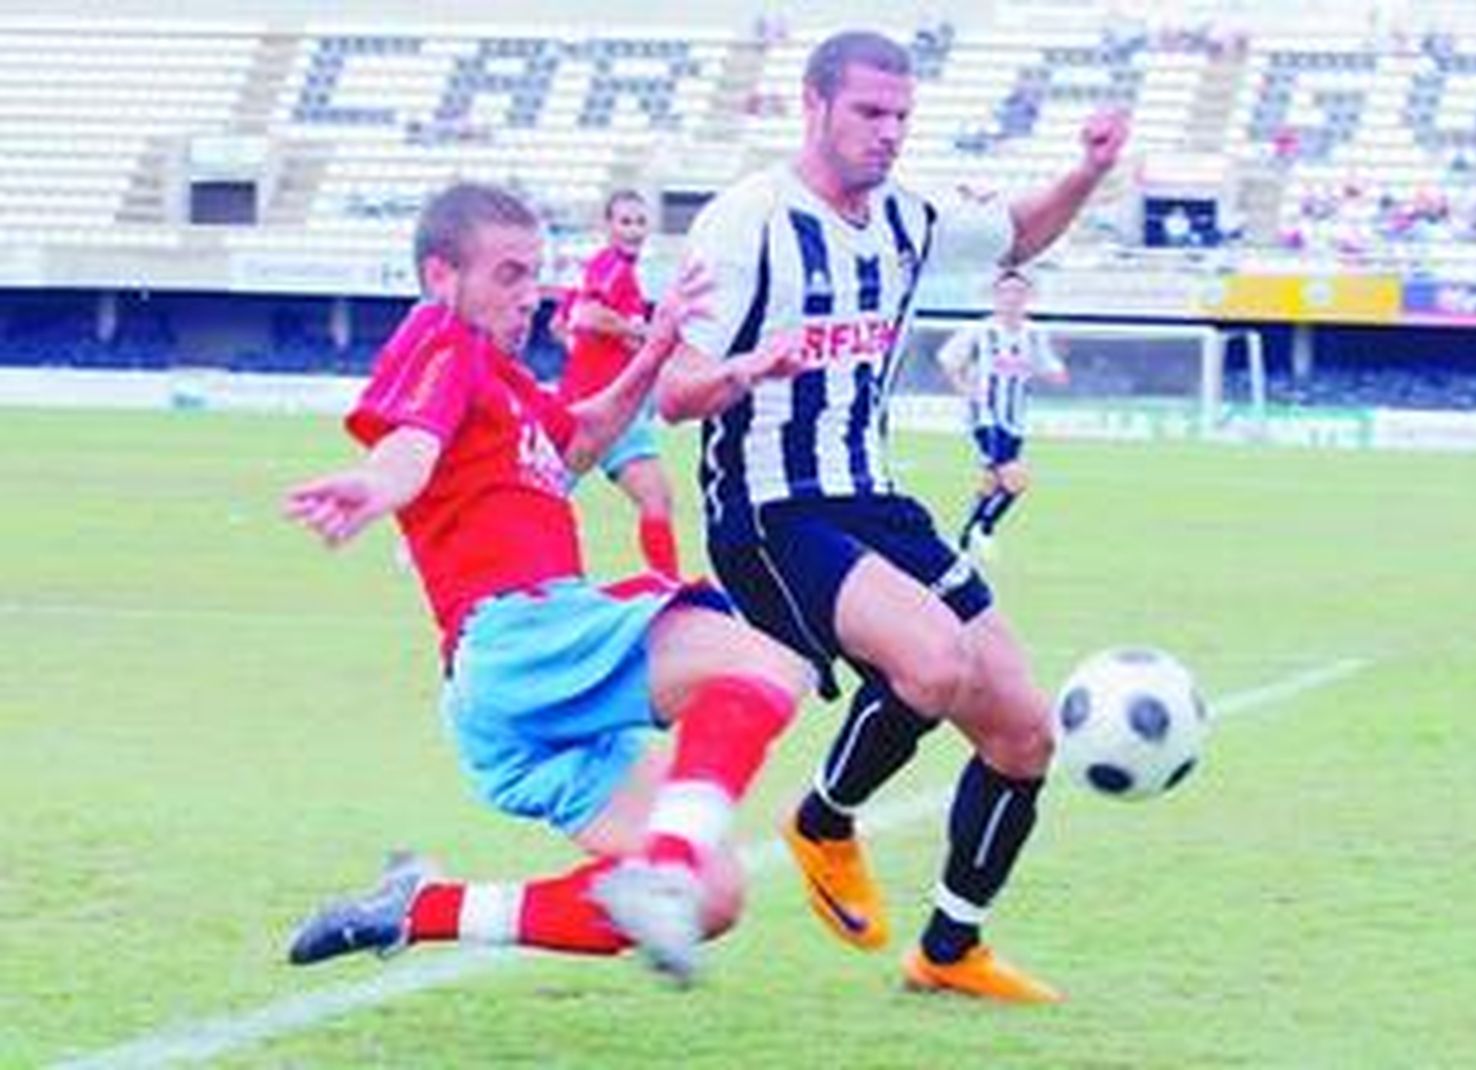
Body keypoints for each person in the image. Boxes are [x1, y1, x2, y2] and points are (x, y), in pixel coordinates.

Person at [657, 30, 1127, 1003]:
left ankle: (949, 947)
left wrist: (1086, 170)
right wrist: (746, 368)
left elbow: (1018, 233)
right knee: (932, 660)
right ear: (813, 105)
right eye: (870, 112)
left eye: (902, 116)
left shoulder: (908, 217)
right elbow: (675, 385)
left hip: (874, 496)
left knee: (1022, 732)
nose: (888, 133)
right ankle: (823, 820)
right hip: (769, 512)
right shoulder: (746, 222)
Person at [280, 181, 811, 983]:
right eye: (508, 275)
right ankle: (661, 869)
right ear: (440, 277)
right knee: (765, 664)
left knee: (716, 896)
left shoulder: (505, 382)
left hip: (511, 694)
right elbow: (410, 446)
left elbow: (584, 438)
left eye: (536, 275)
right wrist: (378, 484)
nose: (531, 296)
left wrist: (662, 341)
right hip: (524, 641)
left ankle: (415, 907)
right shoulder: (444, 344)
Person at [557, 189, 682, 578]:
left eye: (640, 222)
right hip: (597, 412)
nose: (633, 230)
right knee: (537, 499)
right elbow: (588, 316)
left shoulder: (608, 271)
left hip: (610, 412)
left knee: (655, 498)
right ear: (608, 227)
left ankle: (668, 587)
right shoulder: (611, 267)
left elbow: (562, 323)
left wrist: (608, 349)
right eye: (625, 222)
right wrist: (640, 332)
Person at [936, 268, 1068, 560]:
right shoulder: (980, 331)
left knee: (991, 482)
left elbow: (1050, 367)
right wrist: (963, 387)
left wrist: (1055, 373)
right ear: (995, 297)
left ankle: (962, 542)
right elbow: (947, 359)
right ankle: (984, 529)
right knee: (1016, 479)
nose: (1012, 298)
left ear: (1028, 297)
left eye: (1018, 292)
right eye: (1005, 292)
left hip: (1015, 418)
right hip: (985, 417)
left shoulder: (1034, 334)